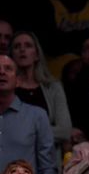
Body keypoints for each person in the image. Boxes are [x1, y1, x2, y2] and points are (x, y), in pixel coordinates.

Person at [11, 31, 72, 159]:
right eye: (17, 46)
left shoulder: (53, 87)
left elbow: (64, 131)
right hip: (13, 159)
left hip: (47, 160)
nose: (22, 49)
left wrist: (24, 132)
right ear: (12, 55)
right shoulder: (7, 88)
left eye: (28, 45)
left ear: (37, 55)